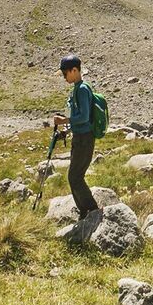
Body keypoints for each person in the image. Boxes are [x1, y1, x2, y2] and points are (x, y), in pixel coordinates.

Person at [50, 53, 100, 217]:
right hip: (80, 137)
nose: (64, 77)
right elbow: (82, 119)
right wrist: (68, 129)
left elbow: (84, 117)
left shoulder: (83, 89)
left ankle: (91, 211)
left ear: (74, 70)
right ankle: (84, 211)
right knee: (74, 176)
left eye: (65, 73)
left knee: (75, 177)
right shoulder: (78, 88)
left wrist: (65, 120)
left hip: (85, 139)